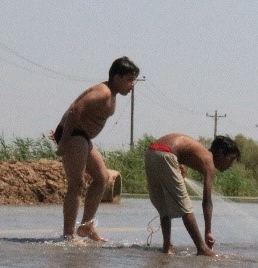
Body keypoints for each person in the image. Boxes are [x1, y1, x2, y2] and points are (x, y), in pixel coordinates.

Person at [53, 56, 140, 242]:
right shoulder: (104, 93)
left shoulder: (111, 94)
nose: (132, 85)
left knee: (102, 177)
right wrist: (63, 141)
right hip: (74, 135)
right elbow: (75, 110)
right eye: (129, 80)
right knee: (76, 185)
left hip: (82, 137)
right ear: (117, 77)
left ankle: (86, 227)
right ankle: (68, 234)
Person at [144, 133, 241, 256]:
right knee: (186, 207)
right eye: (230, 160)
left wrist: (178, 164)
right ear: (221, 153)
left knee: (164, 205)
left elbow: (180, 149)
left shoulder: (202, 153)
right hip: (166, 154)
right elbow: (207, 201)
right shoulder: (209, 161)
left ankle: (167, 246)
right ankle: (202, 248)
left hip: (151, 153)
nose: (230, 166)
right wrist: (208, 232)